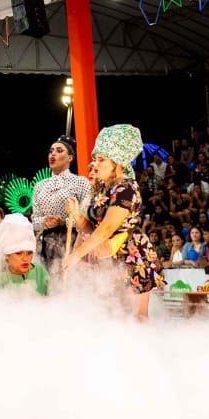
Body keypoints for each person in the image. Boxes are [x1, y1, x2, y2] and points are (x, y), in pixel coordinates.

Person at [66, 123, 163, 321]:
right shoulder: (105, 190)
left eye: (101, 160)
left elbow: (106, 229)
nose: (95, 165)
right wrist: (77, 215)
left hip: (130, 256)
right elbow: (92, 229)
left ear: (118, 163)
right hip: (106, 256)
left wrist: (76, 255)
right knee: (112, 317)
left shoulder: (126, 189)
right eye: (95, 159)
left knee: (136, 318)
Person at [30, 135, 89, 274]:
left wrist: (65, 222)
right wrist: (45, 221)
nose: (53, 154)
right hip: (47, 245)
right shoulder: (40, 186)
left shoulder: (81, 182)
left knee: (73, 282)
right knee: (49, 282)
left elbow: (86, 218)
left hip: (74, 242)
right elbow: (34, 221)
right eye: (51, 151)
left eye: (59, 150)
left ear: (70, 157)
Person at [0, 214, 49, 294]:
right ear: (6, 255)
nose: (25, 259)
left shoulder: (39, 271)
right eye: (18, 253)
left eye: (29, 253)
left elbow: (53, 296)